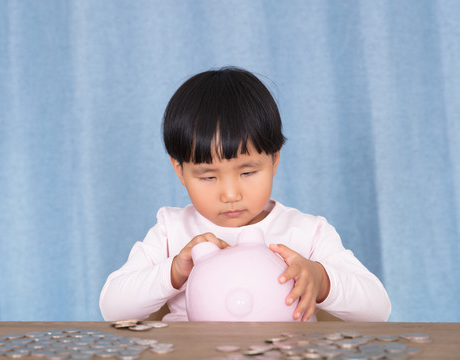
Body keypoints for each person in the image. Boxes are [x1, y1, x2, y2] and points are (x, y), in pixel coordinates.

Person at [99, 67, 391, 322]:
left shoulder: (307, 233)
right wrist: (174, 271)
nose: (230, 194)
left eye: (248, 172)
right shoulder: (171, 231)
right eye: (208, 176)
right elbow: (112, 307)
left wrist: (321, 279)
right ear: (180, 170)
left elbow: (378, 309)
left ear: (274, 160)